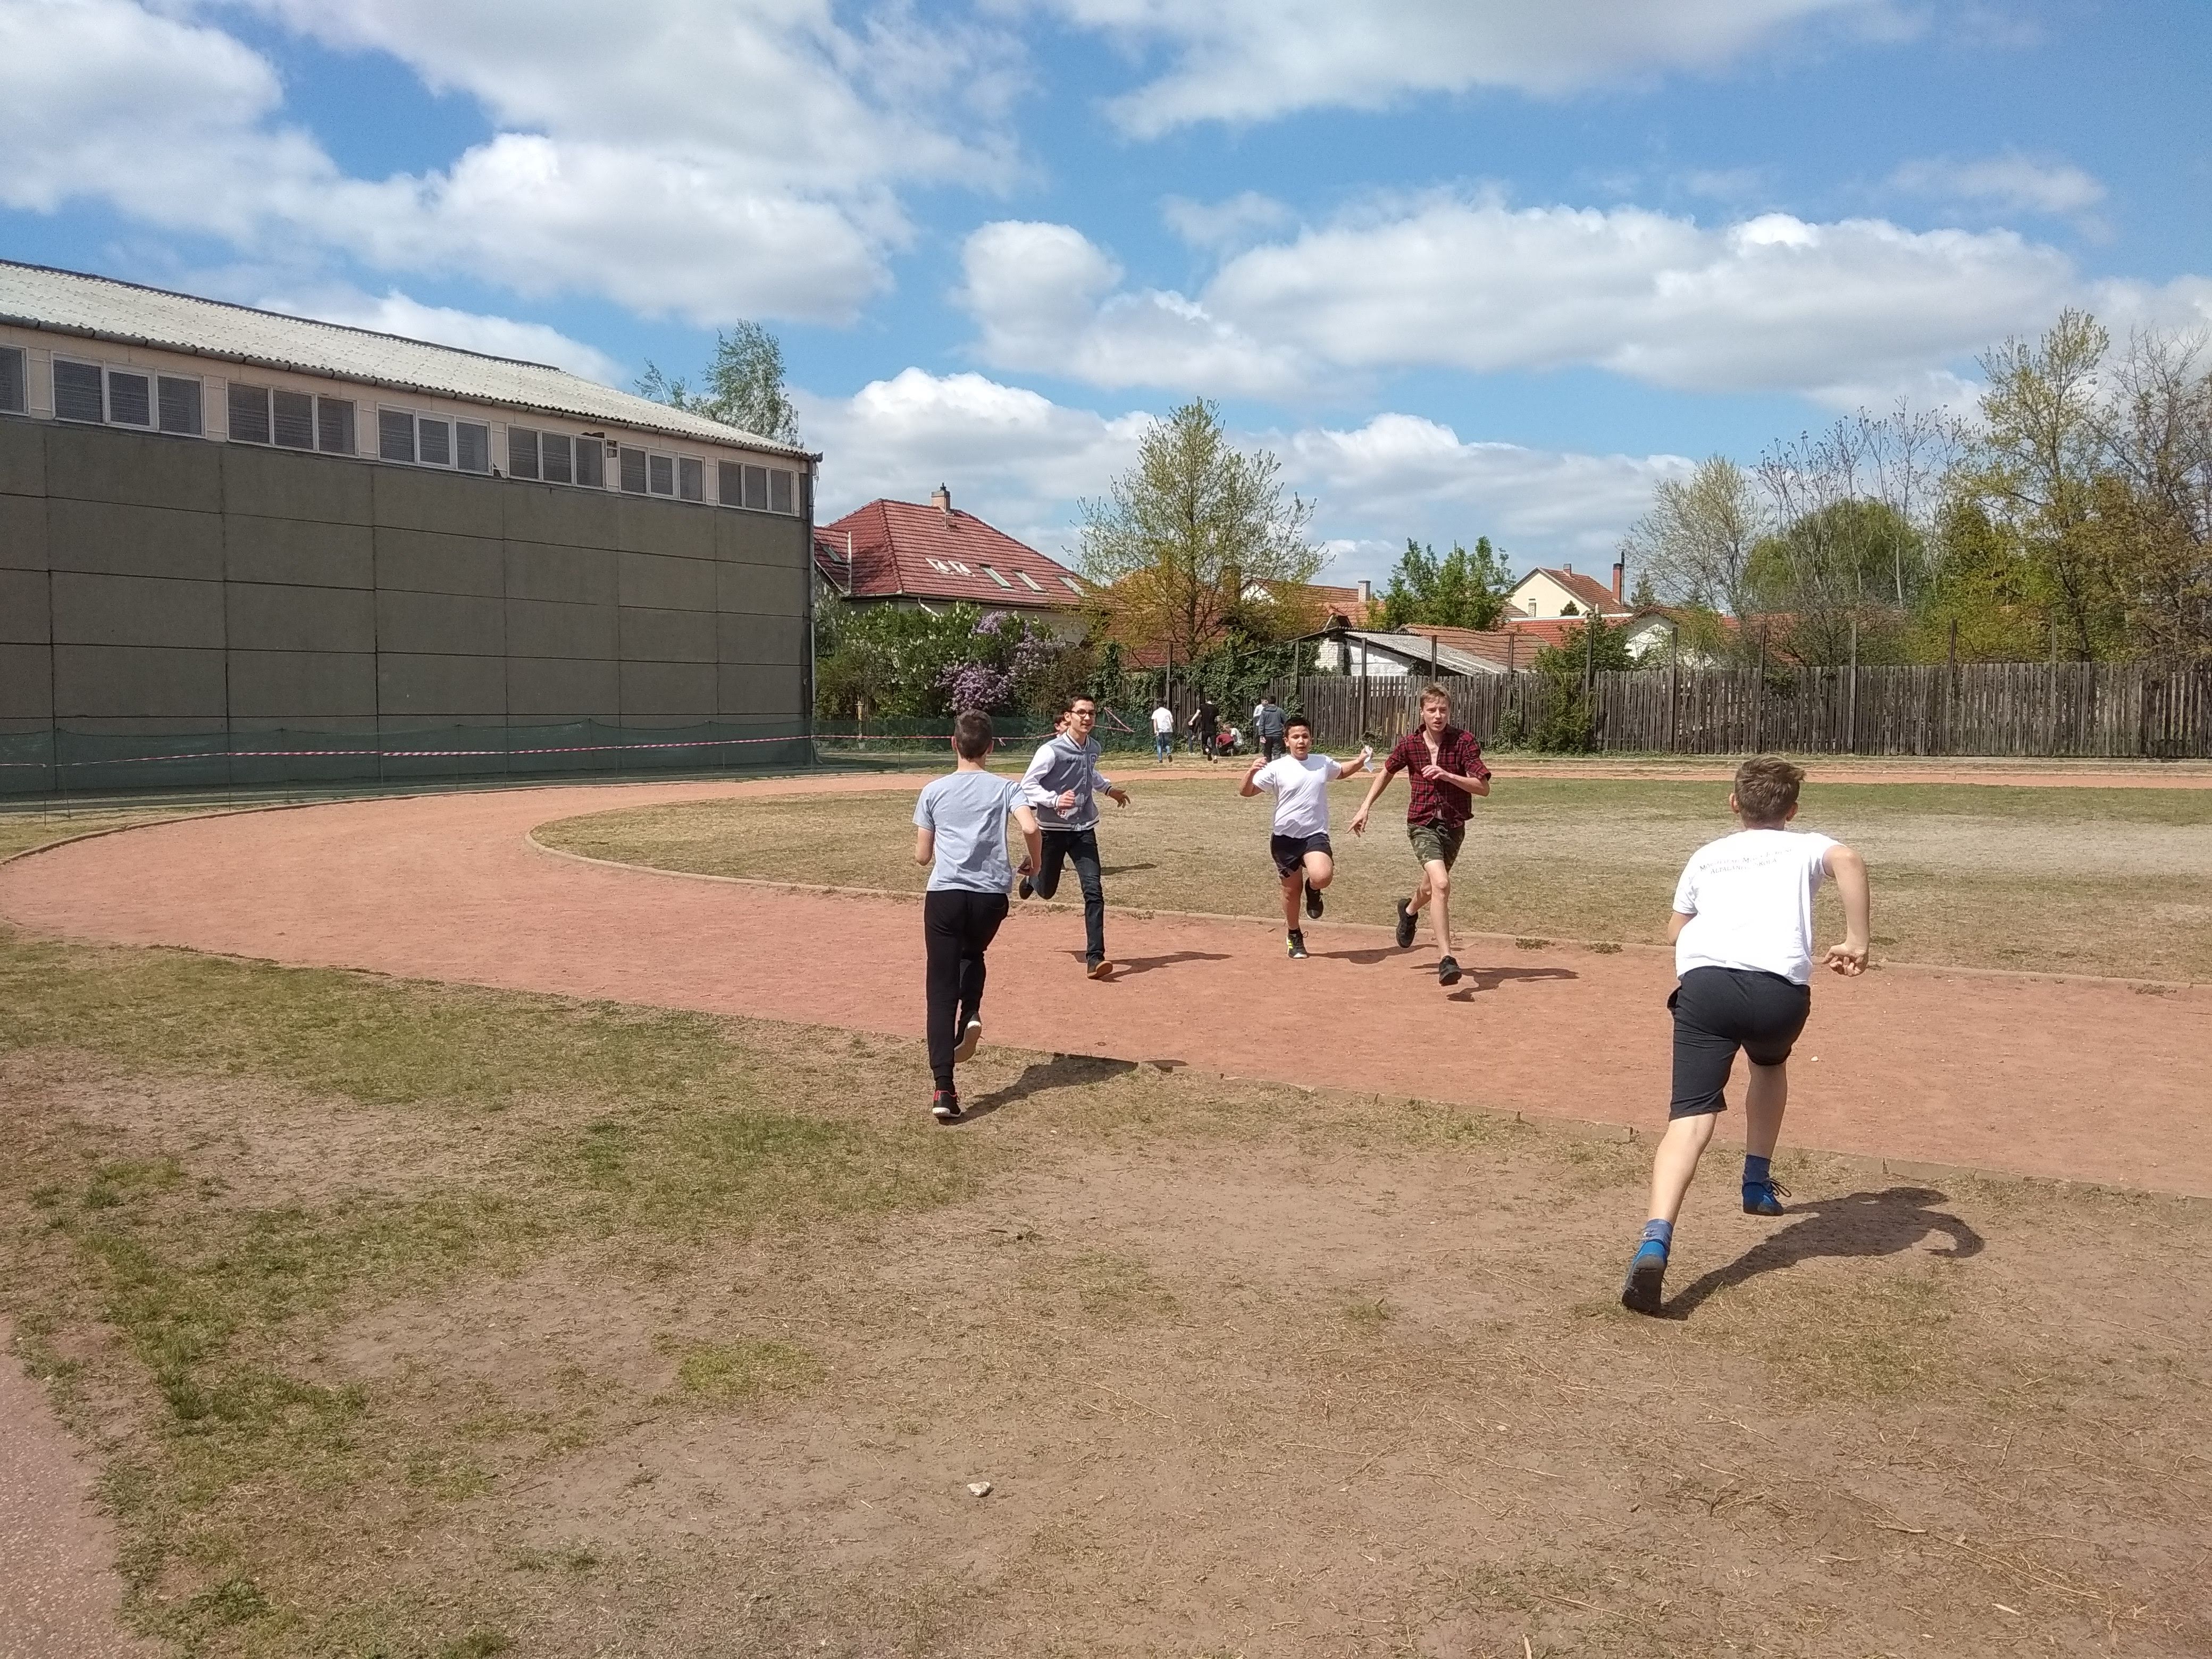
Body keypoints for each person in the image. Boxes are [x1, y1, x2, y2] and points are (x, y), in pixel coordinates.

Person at [1620, 756, 1872, 1315]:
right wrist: (1857, 939)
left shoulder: (1707, 855)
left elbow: (1674, 930)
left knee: (1689, 1121)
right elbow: (1849, 859)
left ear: (1734, 804)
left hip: (1706, 988)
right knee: (1768, 1064)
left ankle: (1655, 1240)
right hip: (1778, 995)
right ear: (1792, 811)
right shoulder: (1806, 847)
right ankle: (1755, 1183)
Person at [914, 710, 1044, 1124]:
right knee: (974, 951)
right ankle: (970, 1010)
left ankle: (944, 1088)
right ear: (990, 747)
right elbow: (1031, 827)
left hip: (946, 895)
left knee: (940, 989)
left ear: (954, 744)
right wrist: (1036, 864)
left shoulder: (933, 791)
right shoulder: (1006, 787)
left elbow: (922, 857)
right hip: (990, 898)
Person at [1348, 683, 1490, 986]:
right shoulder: (1410, 744)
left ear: (1449, 712)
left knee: (1430, 888)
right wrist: (1365, 807)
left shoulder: (1463, 742)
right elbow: (1387, 771)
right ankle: (1447, 959)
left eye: (1443, 710)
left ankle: (1409, 910)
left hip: (1453, 825)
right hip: (1422, 824)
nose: (1438, 716)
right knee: (1442, 884)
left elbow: (1483, 787)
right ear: (1422, 712)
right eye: (1432, 710)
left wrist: (1448, 775)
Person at [1018, 693, 1130, 979]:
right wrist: (1055, 800)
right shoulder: (1051, 751)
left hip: (1084, 831)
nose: (1087, 718)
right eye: (1081, 712)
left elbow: (1090, 773)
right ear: (1068, 716)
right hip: (1053, 831)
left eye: (1091, 713)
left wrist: (1109, 790)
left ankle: (1096, 958)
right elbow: (1027, 784)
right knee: (1047, 891)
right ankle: (1032, 879)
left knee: (1094, 891)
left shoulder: (1094, 747)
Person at [1239, 716, 1371, 958]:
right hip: (1285, 839)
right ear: (1286, 741)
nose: (1301, 741)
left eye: (1305, 736)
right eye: (1296, 737)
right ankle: (1294, 934)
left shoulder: (1321, 762)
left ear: (1311, 739)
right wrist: (1250, 772)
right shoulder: (1277, 767)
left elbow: (1341, 772)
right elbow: (1247, 792)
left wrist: (1360, 761)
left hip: (1315, 835)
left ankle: (1314, 890)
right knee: (1291, 892)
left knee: (1322, 876)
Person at [1254, 693, 1288, 762]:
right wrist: (1285, 731)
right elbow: (1286, 722)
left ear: (1268, 702)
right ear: (1275, 701)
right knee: (1277, 752)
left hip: (1267, 735)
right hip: (1277, 735)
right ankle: (1276, 766)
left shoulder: (1264, 711)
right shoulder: (1280, 711)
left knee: (1267, 752)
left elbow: (1261, 724)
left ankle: (1268, 766)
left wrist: (1261, 735)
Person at [1189, 695, 1220, 763]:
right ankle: (1215, 759)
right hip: (1213, 729)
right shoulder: (1215, 708)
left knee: (1204, 744)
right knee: (1214, 745)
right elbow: (1218, 719)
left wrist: (1192, 721)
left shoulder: (1202, 707)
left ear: (1206, 700)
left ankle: (1208, 751)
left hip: (1205, 729)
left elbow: (1197, 714)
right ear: (1212, 700)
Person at [1150, 699, 1176, 765]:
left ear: (1158, 704)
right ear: (1164, 704)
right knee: (1166, 744)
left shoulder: (1156, 712)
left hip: (1159, 730)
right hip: (1167, 730)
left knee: (1159, 745)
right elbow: (1172, 721)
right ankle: (1169, 753)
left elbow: (1155, 722)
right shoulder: (1168, 712)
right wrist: (1170, 727)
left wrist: (1155, 730)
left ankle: (1160, 760)